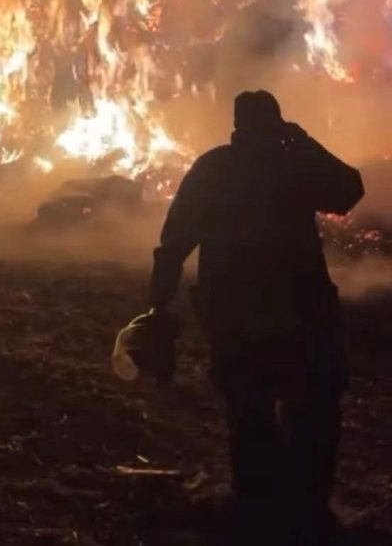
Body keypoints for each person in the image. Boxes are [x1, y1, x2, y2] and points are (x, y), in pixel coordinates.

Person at [149, 90, 364, 544]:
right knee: (313, 410)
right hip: (298, 311)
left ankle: (258, 507)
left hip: (236, 313)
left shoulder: (212, 168)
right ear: (277, 125)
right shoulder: (292, 164)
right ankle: (305, 511)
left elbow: (173, 242)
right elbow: (349, 189)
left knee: (251, 412)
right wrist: (302, 141)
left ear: (236, 127)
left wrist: (159, 303)